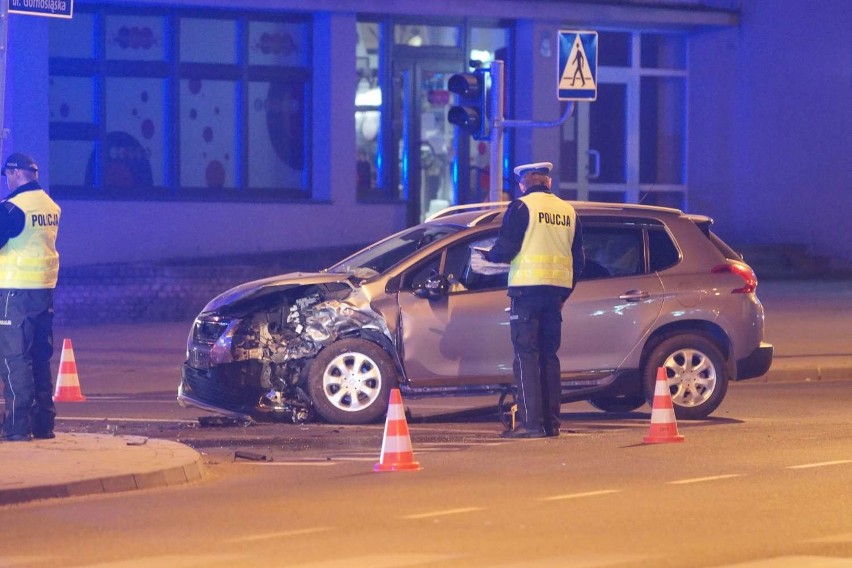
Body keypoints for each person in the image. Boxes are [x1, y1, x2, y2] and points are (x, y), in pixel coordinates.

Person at [479, 161, 584, 439]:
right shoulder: (568, 211)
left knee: (526, 357)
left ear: (523, 183)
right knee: (549, 358)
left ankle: (530, 425)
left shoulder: (522, 207)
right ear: (548, 182)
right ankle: (552, 424)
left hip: (526, 292)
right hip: (554, 295)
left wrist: (487, 256)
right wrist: (564, 293)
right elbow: (579, 260)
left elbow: (506, 249)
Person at [0, 153, 61, 441]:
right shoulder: (50, 206)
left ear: (15, 174)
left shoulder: (13, 208)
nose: (6, 181)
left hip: (15, 291)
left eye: (6, 176)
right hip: (44, 290)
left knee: (14, 358)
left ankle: (16, 426)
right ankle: (43, 424)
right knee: (39, 356)